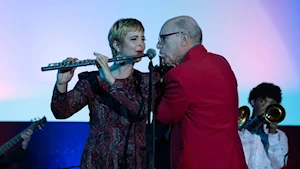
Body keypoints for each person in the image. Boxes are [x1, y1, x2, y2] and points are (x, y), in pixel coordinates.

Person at [51, 18, 160, 169]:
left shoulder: (145, 81)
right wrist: (62, 83)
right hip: (98, 161)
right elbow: (61, 112)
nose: (141, 44)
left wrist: (111, 80)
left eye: (143, 38)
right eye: (134, 39)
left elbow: (141, 110)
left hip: (134, 161)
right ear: (117, 45)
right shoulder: (93, 80)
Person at [154, 15, 248, 169]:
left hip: (199, 162)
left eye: (163, 39)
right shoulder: (221, 62)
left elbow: (165, 115)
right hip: (231, 160)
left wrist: (157, 86)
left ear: (183, 39)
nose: (159, 46)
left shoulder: (179, 75)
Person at [243, 82, 289, 169]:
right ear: (253, 102)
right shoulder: (240, 129)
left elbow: (278, 165)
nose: (267, 106)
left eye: (272, 103)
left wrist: (272, 133)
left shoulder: (280, 136)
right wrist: (252, 126)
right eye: (262, 101)